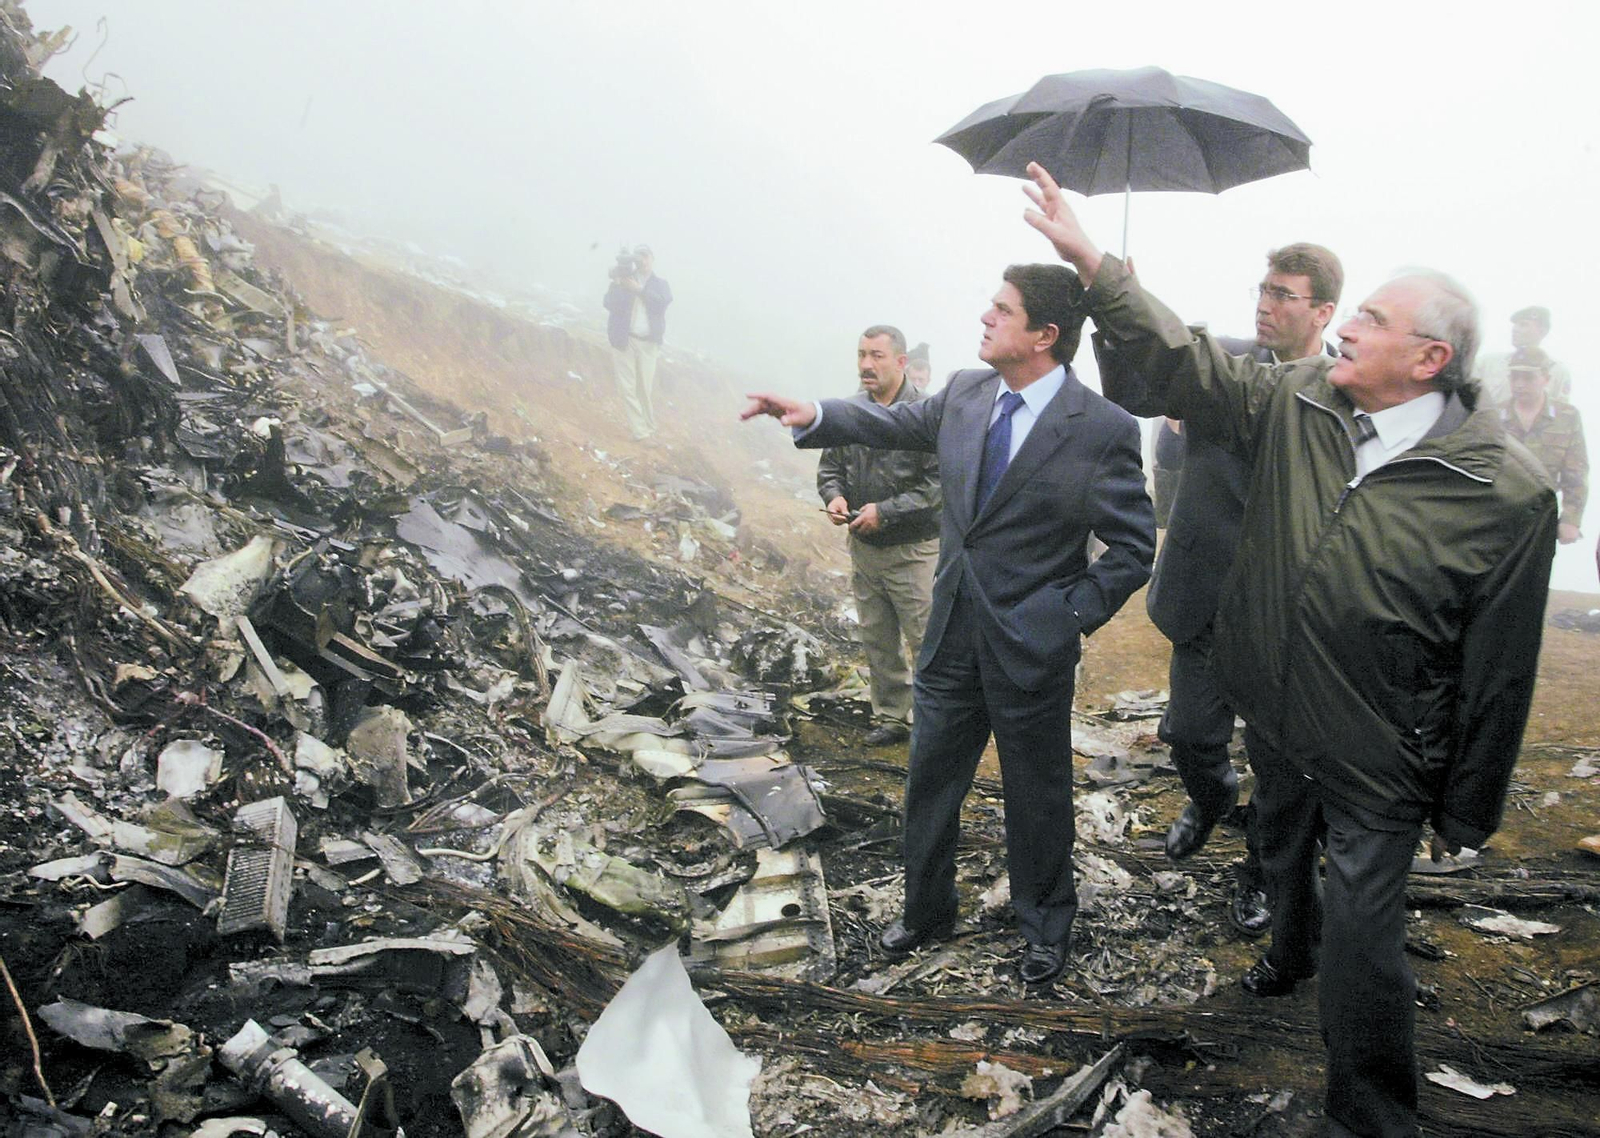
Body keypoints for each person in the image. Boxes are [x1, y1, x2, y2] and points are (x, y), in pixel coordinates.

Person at [1022, 161, 1556, 1138]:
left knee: (1363, 928)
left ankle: (1369, 1112)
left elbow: (1500, 668)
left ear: (1428, 358)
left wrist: (1467, 807)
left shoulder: (1505, 493)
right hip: (1275, 712)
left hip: (1378, 750)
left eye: (1373, 320)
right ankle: (1284, 955)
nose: (1347, 327)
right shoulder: (1296, 399)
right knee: (1276, 845)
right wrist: (1097, 264)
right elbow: (1182, 362)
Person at [741, 264, 1155, 986]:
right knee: (929, 782)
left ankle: (1044, 925)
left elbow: (1132, 548)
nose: (986, 317)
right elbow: (889, 422)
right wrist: (812, 412)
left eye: (1003, 310)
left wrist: (1068, 617)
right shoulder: (966, 393)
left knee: (1037, 793)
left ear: (1045, 336)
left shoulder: (1102, 429)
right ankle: (926, 911)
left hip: (1032, 647)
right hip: (951, 634)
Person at [1119, 244, 1342, 942]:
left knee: (1282, 769)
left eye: (1284, 295)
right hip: (1206, 595)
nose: (1265, 304)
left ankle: (1259, 872)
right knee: (1188, 733)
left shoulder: (1349, 387)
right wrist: (1124, 301)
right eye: (1263, 289)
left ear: (1324, 311)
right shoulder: (1220, 364)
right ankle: (1213, 798)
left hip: (1287, 615)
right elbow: (1144, 383)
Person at [817, 325, 942, 746]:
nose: (866, 364)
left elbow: (938, 486)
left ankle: (936, 724)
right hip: (864, 547)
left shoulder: (929, 415)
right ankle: (892, 717)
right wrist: (834, 497)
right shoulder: (848, 410)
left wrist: (885, 512)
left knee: (927, 640)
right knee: (877, 638)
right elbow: (830, 467)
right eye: (861, 355)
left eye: (877, 356)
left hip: (915, 551)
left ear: (902, 362)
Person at [1497, 347, 1587, 545]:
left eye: (1528, 377)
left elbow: (1576, 473)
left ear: (1546, 379)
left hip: (1540, 519)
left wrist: (1571, 519)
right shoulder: (1493, 416)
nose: (1519, 384)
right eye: (1514, 377)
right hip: (1496, 518)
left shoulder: (1567, 417)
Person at [602, 245, 672, 441]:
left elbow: (661, 303)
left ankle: (649, 427)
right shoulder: (624, 279)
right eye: (638, 256)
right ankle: (641, 432)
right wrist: (618, 284)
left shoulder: (660, 284)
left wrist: (638, 290)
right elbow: (609, 303)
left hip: (648, 344)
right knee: (627, 387)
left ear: (652, 258)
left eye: (645, 256)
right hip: (624, 340)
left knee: (644, 389)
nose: (642, 260)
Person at [1473, 305, 1573, 406]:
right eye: (1515, 325)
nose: (1515, 329)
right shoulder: (1487, 363)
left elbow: (1561, 412)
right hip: (1490, 421)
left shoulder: (1557, 371)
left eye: (1523, 325)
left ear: (1542, 331)